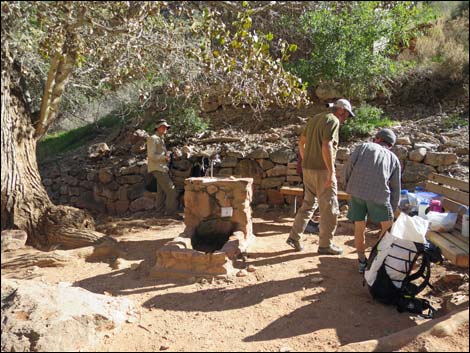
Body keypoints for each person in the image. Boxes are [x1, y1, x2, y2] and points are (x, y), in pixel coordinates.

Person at [286, 98, 354, 254]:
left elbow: (301, 141)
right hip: (322, 171)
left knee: (308, 204)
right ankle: (325, 245)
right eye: (347, 115)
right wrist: (330, 172)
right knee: (330, 208)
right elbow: (327, 145)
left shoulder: (316, 118)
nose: (346, 119)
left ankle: (294, 236)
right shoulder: (333, 120)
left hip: (308, 169)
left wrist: (305, 160)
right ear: (341, 110)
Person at [342, 128, 401, 273]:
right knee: (387, 227)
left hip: (356, 192)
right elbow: (396, 187)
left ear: (378, 139)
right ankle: (375, 259)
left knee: (359, 226)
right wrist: (392, 209)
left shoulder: (362, 147)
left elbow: (348, 168)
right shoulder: (393, 158)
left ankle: (362, 261)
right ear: (390, 145)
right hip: (379, 195)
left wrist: (347, 185)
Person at [147, 119, 180, 219]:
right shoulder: (153, 138)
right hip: (158, 168)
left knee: (161, 192)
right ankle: (171, 213)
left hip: (161, 168)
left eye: (166, 127)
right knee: (171, 190)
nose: (165, 128)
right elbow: (151, 155)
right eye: (163, 126)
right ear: (157, 127)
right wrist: (164, 157)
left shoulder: (160, 139)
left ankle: (159, 213)